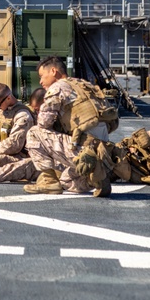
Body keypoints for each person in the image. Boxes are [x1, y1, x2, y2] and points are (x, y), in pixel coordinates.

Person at [23, 56, 118, 197]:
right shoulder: (83, 84)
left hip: (83, 150)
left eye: (42, 76)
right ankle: (96, 176)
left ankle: (49, 182)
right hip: (103, 150)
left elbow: (44, 123)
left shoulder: (57, 88)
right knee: (66, 180)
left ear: (54, 71)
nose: (41, 81)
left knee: (34, 132)